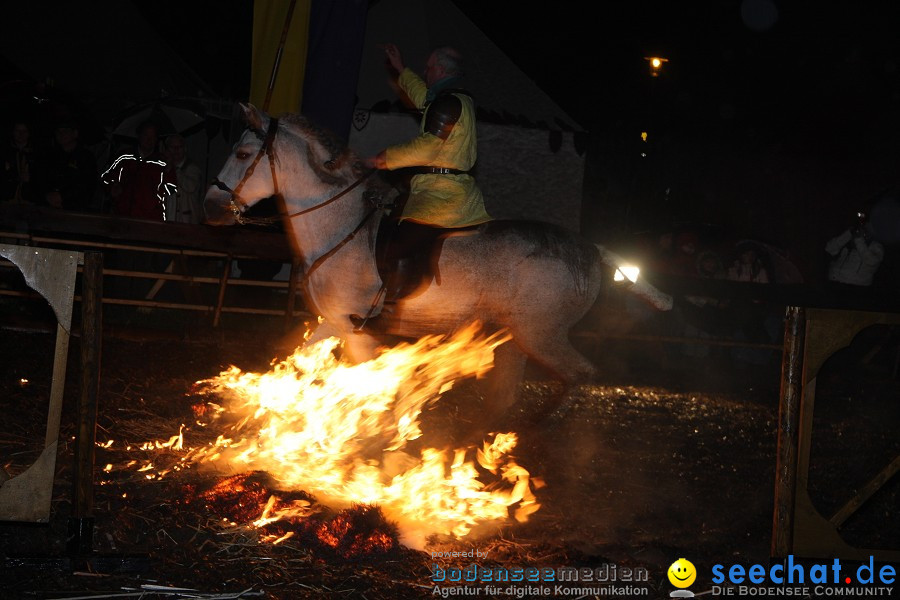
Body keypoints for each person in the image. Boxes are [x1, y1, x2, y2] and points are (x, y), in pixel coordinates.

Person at [351, 44, 491, 332]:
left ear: (439, 69)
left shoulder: (449, 102)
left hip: (444, 196)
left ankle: (389, 314)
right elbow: (423, 98)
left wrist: (386, 158)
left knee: (400, 243)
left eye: (428, 67)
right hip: (439, 189)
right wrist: (401, 69)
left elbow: (429, 146)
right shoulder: (446, 99)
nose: (425, 72)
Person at [101, 120, 175, 221]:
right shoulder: (125, 157)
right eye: (145, 135)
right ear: (139, 136)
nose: (149, 140)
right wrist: (112, 187)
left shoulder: (162, 162)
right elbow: (106, 179)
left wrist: (169, 169)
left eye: (152, 136)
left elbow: (171, 190)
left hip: (150, 220)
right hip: (123, 217)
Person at [33, 120, 99, 212]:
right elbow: (41, 177)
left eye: (65, 131)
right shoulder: (49, 156)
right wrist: (47, 195)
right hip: (48, 207)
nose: (61, 134)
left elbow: (86, 183)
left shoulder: (85, 157)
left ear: (75, 133)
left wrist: (63, 196)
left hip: (75, 208)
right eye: (58, 132)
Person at [162, 134, 204, 224]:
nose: (176, 150)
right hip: (167, 219)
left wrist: (174, 170)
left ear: (185, 149)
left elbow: (190, 187)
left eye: (179, 147)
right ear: (167, 150)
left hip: (187, 222)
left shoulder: (193, 168)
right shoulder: (162, 168)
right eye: (172, 147)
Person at [1, 119, 37, 203]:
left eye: (24, 131)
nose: (21, 134)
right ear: (13, 132)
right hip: (7, 197)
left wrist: (31, 178)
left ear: (29, 133)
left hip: (30, 199)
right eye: (18, 131)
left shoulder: (37, 153)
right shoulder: (4, 152)